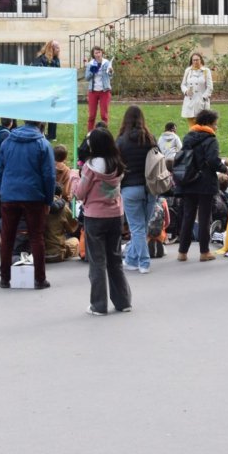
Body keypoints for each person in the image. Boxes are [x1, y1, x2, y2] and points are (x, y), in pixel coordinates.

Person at [74, 128, 131, 315]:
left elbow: (80, 193)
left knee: (97, 262)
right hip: (116, 215)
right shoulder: (118, 164)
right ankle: (123, 301)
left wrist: (75, 178)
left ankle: (98, 304)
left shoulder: (90, 167)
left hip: (95, 217)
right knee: (115, 260)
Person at [0, 119, 55, 290]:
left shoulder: (7, 142)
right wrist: (48, 200)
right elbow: (49, 175)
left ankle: (4, 278)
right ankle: (39, 279)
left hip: (9, 194)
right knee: (36, 236)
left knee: (7, 237)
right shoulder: (43, 144)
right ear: (41, 124)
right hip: (34, 196)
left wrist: (2, 191)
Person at [174, 109, 228, 262]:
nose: (216, 127)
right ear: (209, 123)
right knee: (204, 217)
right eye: (215, 124)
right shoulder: (211, 139)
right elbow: (212, 160)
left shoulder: (188, 137)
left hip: (189, 180)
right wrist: (224, 168)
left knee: (188, 216)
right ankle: (204, 252)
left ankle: (182, 252)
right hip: (205, 182)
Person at [116, 105, 158, 274]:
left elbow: (116, 166)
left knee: (137, 228)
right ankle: (132, 259)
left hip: (130, 187)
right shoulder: (150, 138)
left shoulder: (120, 141)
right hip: (150, 187)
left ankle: (143, 261)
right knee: (142, 226)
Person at [33, 40, 62, 139]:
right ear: (52, 48)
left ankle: (52, 134)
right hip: (42, 90)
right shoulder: (41, 59)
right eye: (57, 47)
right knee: (42, 111)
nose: (59, 49)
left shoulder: (56, 60)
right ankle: (40, 132)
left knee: (53, 111)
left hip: (53, 90)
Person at [84, 45, 114, 132]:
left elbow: (110, 76)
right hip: (93, 92)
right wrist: (93, 71)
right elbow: (87, 78)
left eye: (99, 52)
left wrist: (111, 71)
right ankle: (89, 133)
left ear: (102, 53)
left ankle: (104, 133)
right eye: (96, 53)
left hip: (104, 91)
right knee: (92, 115)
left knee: (104, 115)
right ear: (93, 55)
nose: (98, 54)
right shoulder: (90, 64)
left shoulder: (106, 63)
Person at [180, 52, 213, 126]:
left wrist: (204, 97)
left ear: (201, 60)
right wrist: (186, 91)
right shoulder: (188, 71)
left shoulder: (206, 71)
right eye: (193, 60)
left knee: (202, 124)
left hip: (201, 102)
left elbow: (210, 87)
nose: (195, 62)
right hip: (190, 101)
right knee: (192, 126)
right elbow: (183, 85)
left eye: (197, 60)